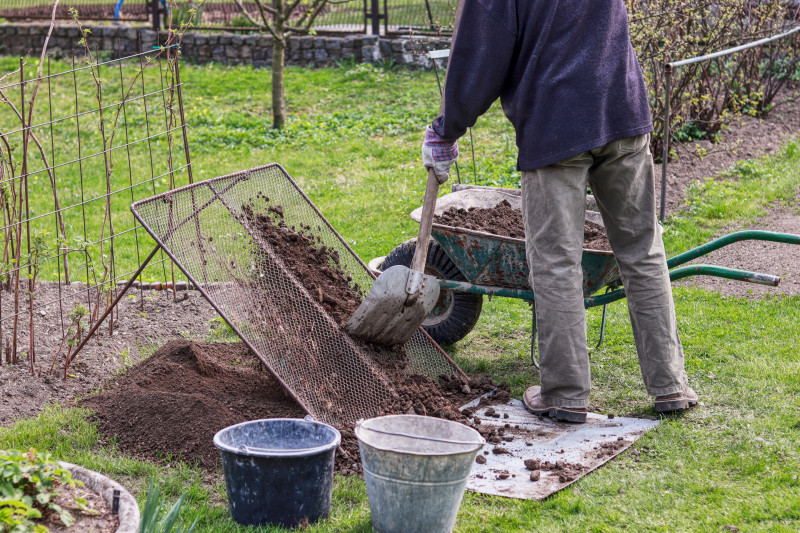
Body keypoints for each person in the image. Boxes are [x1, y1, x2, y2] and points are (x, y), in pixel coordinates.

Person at [421, 0, 697, 423]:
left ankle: (565, 394)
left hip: (556, 123)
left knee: (555, 261)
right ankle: (670, 386)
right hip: (621, 108)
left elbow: (480, 53)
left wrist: (447, 128)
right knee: (643, 250)